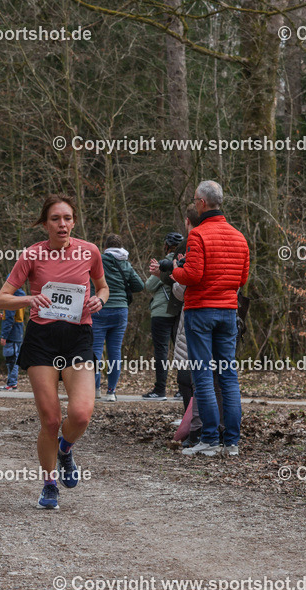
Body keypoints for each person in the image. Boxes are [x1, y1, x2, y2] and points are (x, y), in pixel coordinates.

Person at [0, 194, 108, 510]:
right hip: (42, 339)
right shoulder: (31, 255)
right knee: (51, 419)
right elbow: (1, 299)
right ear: (45, 224)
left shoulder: (90, 252)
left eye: (67, 218)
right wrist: (28, 300)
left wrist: (100, 299)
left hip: (78, 337)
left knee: (82, 413)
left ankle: (66, 449)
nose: (62, 224)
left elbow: (103, 286)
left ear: (74, 221)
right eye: (55, 219)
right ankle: (49, 484)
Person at [172, 180, 250, 457]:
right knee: (228, 376)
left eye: (195, 200)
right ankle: (232, 442)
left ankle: (208, 440)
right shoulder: (239, 237)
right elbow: (242, 279)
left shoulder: (198, 235)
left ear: (202, 203)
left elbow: (192, 275)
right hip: (228, 311)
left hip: (201, 311)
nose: (194, 204)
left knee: (203, 376)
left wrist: (173, 270)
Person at [91, 234, 143, 401]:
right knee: (115, 352)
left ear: (106, 247)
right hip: (120, 311)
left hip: (99, 309)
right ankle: (111, 392)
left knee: (95, 351)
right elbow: (139, 285)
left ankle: (95, 389)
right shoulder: (125, 264)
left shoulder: (98, 260)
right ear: (121, 247)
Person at [142, 230, 185, 400]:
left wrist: (158, 275)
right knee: (181, 351)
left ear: (166, 245)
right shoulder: (183, 260)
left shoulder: (166, 262)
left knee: (161, 351)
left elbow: (149, 285)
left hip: (161, 311)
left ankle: (160, 390)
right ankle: (183, 389)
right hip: (179, 310)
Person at [0, 285, 26, 390]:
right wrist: (3, 316)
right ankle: (11, 382)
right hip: (18, 332)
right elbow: (14, 315)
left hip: (12, 334)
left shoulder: (11, 299)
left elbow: (10, 319)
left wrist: (4, 336)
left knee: (11, 359)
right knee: (13, 357)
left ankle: (12, 383)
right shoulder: (21, 297)